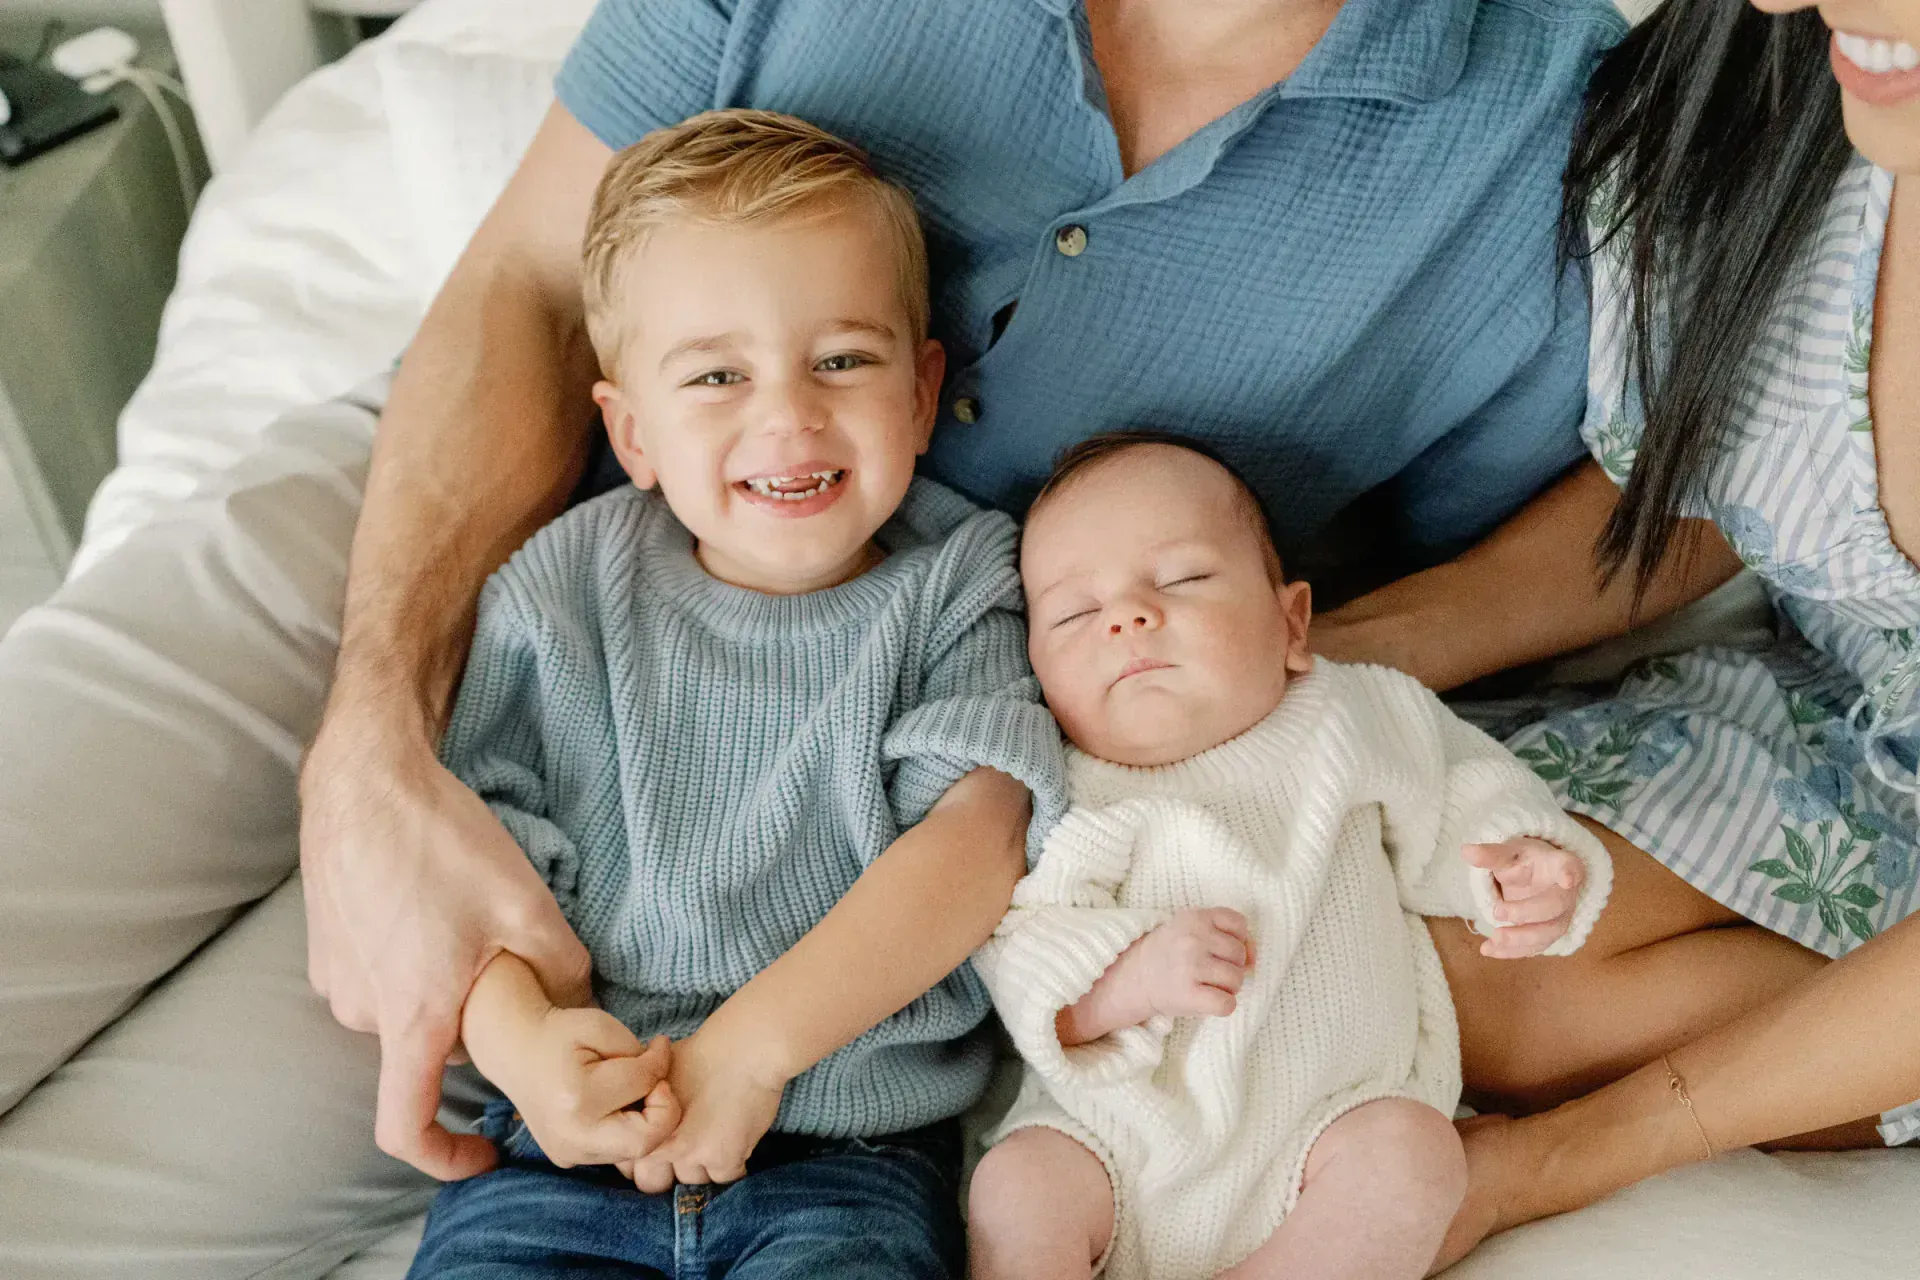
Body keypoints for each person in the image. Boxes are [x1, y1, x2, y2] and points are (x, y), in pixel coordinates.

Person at [0, 0, 1632, 1269]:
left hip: (895, 694)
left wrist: (1299, 671)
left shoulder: (1553, 120)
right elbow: (527, 280)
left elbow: (1691, 493)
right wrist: (368, 741)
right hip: (464, 512)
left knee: (104, 1211)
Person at [1305, 0, 1920, 1263]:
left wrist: (1549, 1161)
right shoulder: (1787, 103)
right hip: (1850, 724)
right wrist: (1346, 656)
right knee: (1429, 937)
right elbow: (1721, 489)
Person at [403, 109, 1065, 1278]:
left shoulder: (960, 576)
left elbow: (976, 841)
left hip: (845, 1151)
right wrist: (523, 1050)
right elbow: (474, 861)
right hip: (563, 1157)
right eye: (717, 374)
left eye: (843, 359)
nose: (789, 414)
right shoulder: (565, 582)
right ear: (634, 430)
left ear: (921, 392)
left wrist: (753, 1051)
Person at [964, 436, 1611, 1280]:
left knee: (1418, 1158)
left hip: (1325, 1136)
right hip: (1116, 1146)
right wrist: (1119, 984)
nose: (1126, 617)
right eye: (1075, 614)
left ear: (1292, 623)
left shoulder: (1349, 716)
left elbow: (1464, 791)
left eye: (1182, 580)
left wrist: (1519, 866)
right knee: (1018, 1184)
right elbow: (1020, 945)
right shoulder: (1071, 791)